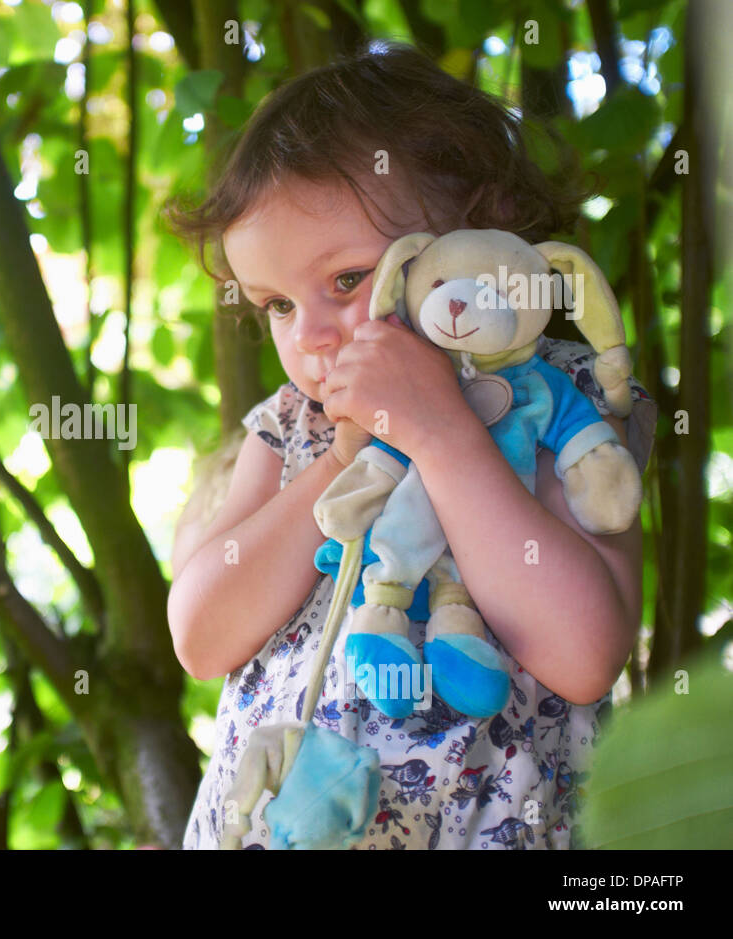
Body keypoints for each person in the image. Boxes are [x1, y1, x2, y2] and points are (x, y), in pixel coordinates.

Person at [162, 43, 656, 849]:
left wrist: (442, 433)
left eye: (348, 281)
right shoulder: (291, 428)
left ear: (477, 237)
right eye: (278, 304)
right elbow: (201, 632)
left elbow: (585, 650)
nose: (313, 335)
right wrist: (339, 464)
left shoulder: (565, 405)